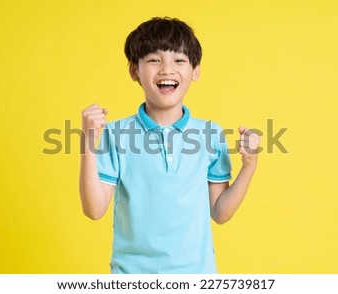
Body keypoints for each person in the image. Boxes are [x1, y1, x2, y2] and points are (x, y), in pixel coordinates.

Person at [79, 17, 260, 274]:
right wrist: (88, 141)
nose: (166, 69)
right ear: (134, 71)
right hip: (131, 275)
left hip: (197, 275)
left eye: (179, 60)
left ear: (195, 70)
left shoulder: (210, 134)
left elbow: (220, 213)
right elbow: (94, 209)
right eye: (154, 60)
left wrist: (249, 167)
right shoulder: (116, 134)